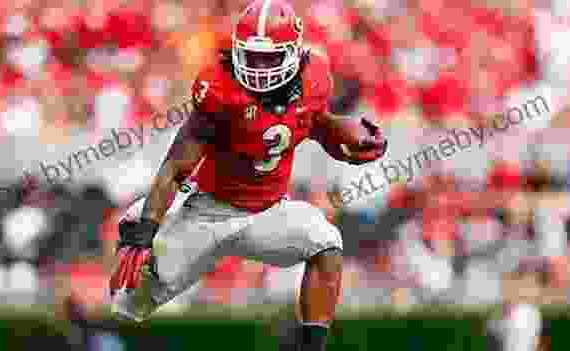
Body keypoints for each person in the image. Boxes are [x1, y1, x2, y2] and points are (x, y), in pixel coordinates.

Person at [109, 1, 388, 350]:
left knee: (327, 243)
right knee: (125, 305)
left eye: (269, 58)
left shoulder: (315, 76)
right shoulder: (219, 88)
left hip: (268, 212)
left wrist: (342, 136)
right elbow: (176, 166)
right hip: (207, 212)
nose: (258, 67)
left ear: (294, 53)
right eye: (251, 56)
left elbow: (312, 123)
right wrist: (145, 228)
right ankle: (137, 227)